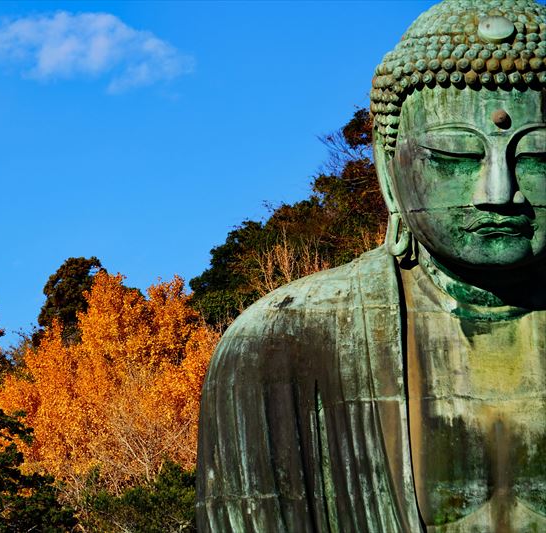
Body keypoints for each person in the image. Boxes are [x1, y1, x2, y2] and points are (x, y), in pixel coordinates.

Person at [196, 1, 546, 531]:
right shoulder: (280, 344)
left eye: (537, 155)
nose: (499, 193)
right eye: (454, 155)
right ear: (388, 167)